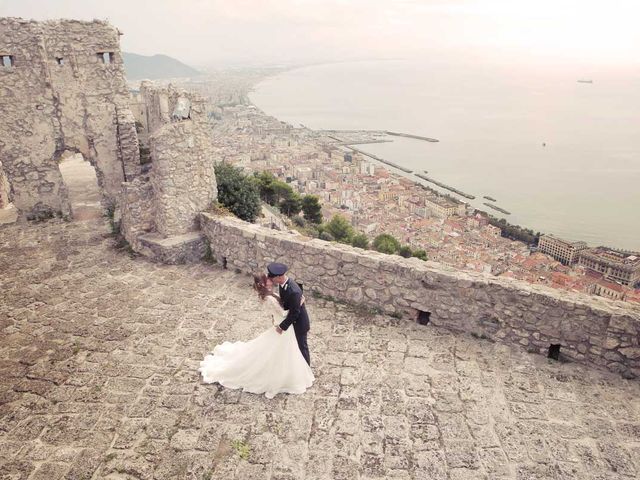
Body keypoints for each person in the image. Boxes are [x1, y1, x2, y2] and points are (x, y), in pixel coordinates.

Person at [198, 273, 314, 399]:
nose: (270, 279)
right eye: (268, 279)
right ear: (264, 284)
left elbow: (282, 305)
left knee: (285, 349)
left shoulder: (269, 293)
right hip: (283, 325)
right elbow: (284, 313)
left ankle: (295, 370)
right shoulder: (269, 298)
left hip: (282, 324)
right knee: (283, 350)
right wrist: (299, 303)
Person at [267, 262, 311, 366]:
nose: (271, 280)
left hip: (299, 324)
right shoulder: (283, 284)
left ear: (278, 277)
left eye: (272, 277)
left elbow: (294, 313)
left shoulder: (293, 290)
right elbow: (287, 302)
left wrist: (282, 326)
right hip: (292, 322)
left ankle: (306, 370)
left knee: (302, 347)